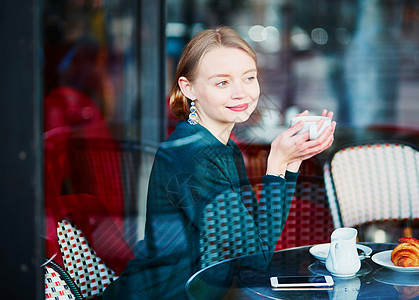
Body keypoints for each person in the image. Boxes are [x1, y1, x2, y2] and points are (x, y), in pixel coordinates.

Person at [103, 25, 336, 300]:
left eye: (249, 78)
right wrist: (276, 164)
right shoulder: (193, 156)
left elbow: (258, 239)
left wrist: (291, 162)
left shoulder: (222, 147)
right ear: (188, 88)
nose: (241, 93)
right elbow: (255, 257)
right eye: (222, 82)